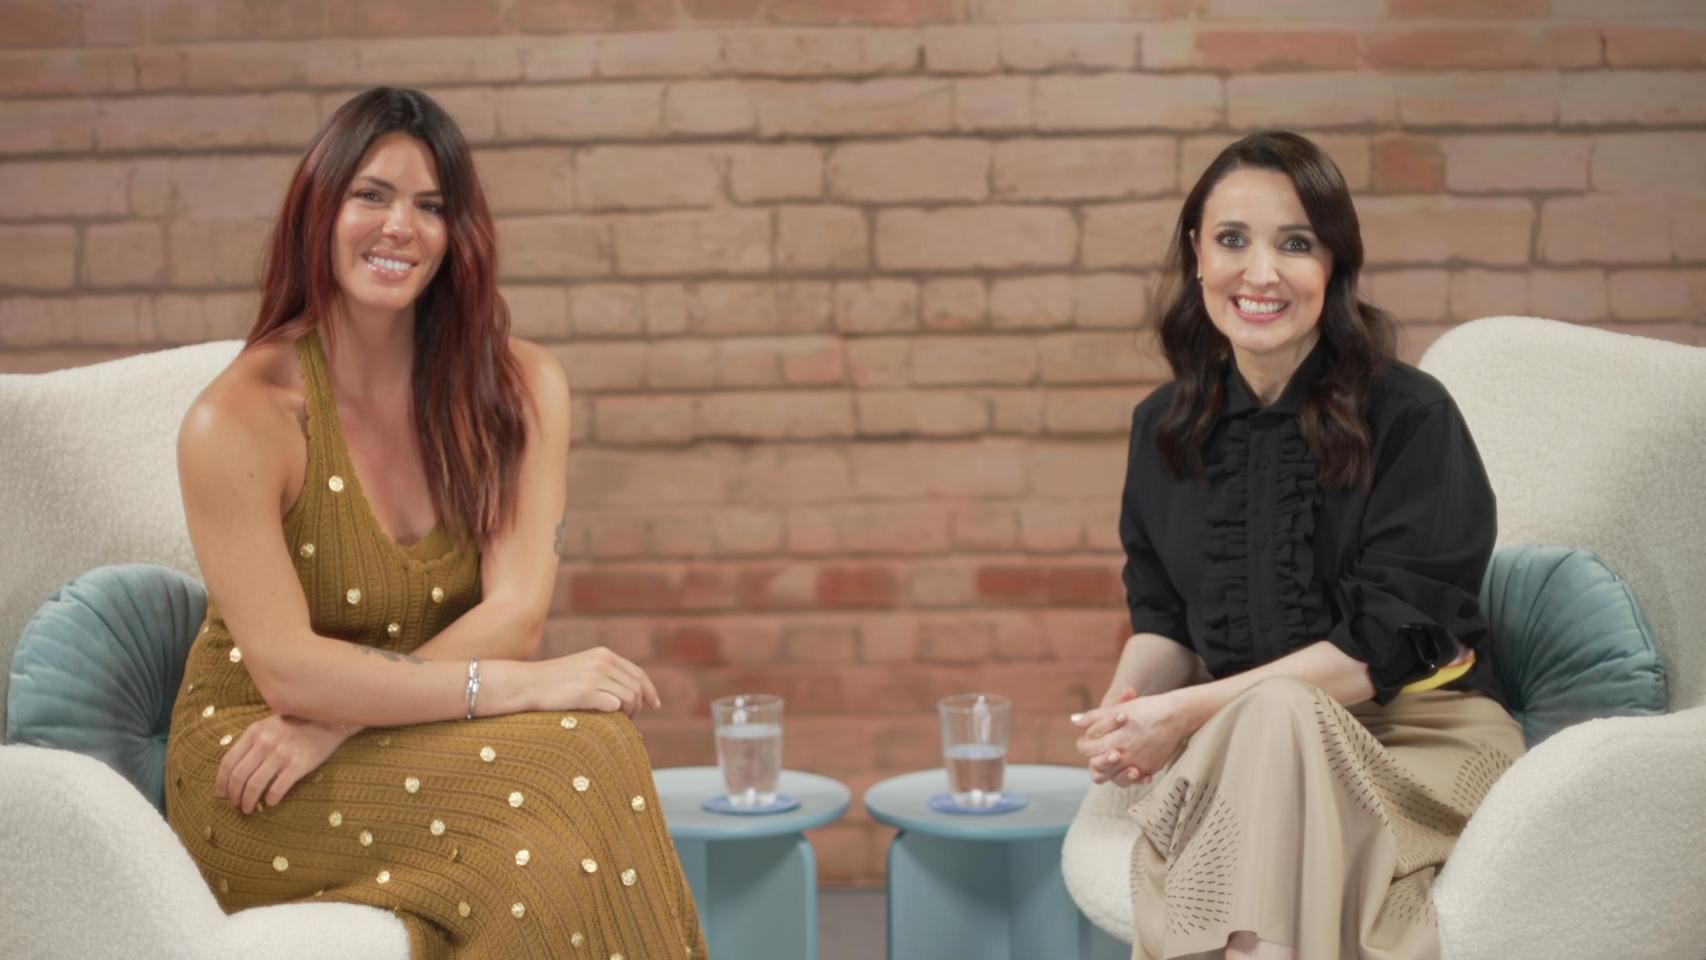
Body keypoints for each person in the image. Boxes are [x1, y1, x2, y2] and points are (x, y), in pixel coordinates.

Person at [163, 87, 707, 960]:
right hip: (258, 766)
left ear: (460, 235)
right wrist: (499, 689)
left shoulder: (520, 389)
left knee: (592, 760)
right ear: (318, 209)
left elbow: (516, 615)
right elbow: (290, 672)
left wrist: (344, 716)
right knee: (579, 762)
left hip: (345, 734)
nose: (399, 228)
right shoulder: (237, 419)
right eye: (369, 195)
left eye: (430, 206)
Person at [1070, 131, 1524, 960]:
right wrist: (1125, 712)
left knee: (1277, 713)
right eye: (1233, 240)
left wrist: (1184, 715)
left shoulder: (1414, 417)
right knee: (1269, 727)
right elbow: (1164, 623)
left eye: (1296, 244)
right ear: (1196, 254)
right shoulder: (1161, 428)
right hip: (1247, 745)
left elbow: (1379, 649)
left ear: (1334, 266)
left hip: (1420, 738)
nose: (1262, 273)